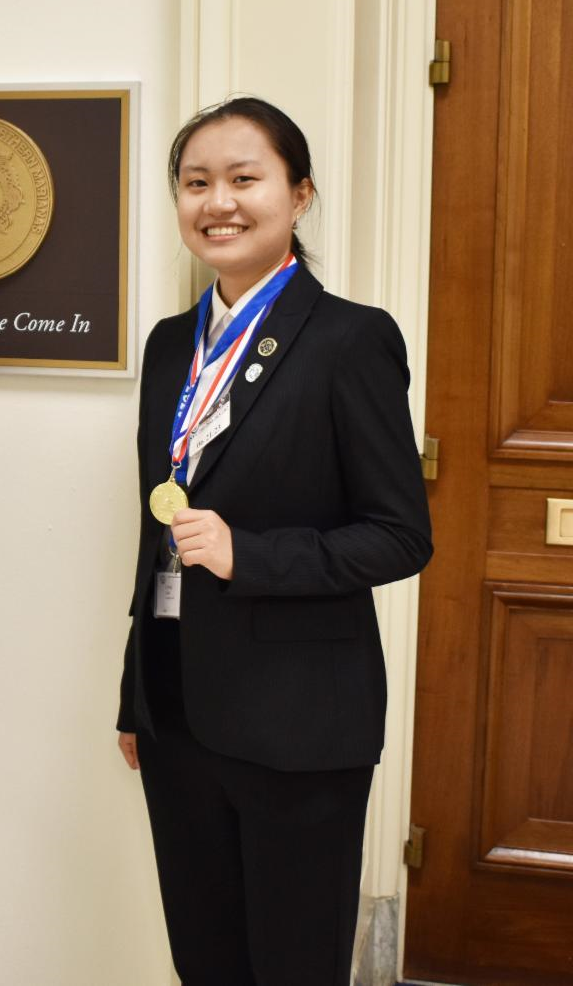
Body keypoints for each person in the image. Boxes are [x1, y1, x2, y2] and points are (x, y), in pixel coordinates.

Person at [116, 97, 431, 985]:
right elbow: (158, 536)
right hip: (176, 710)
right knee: (205, 959)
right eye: (196, 182)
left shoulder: (351, 340)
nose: (218, 201)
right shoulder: (171, 345)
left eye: (244, 179)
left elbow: (400, 536)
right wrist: (133, 691)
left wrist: (249, 553)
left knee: (291, 963)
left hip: (300, 723)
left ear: (299, 197)